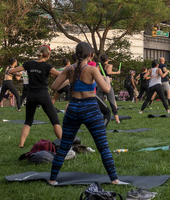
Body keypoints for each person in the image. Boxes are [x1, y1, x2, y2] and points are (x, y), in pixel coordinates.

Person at [48, 42, 121, 186]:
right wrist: (106, 79)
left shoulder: (70, 69)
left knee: (64, 146)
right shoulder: (92, 69)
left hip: (73, 108)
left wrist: (70, 80)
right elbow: (106, 89)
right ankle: (114, 179)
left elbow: (54, 86)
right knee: (103, 146)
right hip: (90, 108)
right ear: (90, 55)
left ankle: (52, 179)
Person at [9, 45, 64, 148]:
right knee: (55, 121)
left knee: (28, 121)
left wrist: (18, 73)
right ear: (47, 55)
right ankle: (64, 144)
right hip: (43, 95)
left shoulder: (28, 64)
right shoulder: (47, 66)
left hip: (31, 95)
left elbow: (11, 71)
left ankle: (21, 144)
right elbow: (60, 75)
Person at [98, 54, 121, 124]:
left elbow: (96, 74)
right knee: (112, 102)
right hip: (108, 85)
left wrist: (102, 77)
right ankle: (117, 120)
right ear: (107, 60)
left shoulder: (98, 66)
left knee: (99, 102)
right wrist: (117, 72)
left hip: (100, 84)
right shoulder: (109, 65)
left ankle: (97, 118)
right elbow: (108, 72)